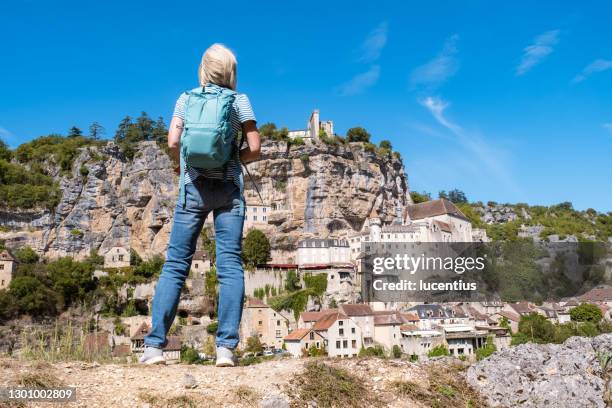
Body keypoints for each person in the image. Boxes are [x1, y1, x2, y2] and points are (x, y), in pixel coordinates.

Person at [140, 43, 260, 367]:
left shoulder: (186, 98)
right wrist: (236, 156)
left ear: (204, 69)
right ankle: (225, 350)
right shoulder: (239, 101)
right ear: (231, 71)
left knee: (176, 264)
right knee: (230, 266)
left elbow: (173, 142)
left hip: (192, 188)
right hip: (229, 190)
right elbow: (255, 147)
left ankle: (153, 348)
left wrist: (181, 167)